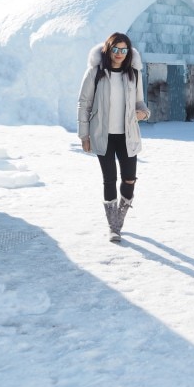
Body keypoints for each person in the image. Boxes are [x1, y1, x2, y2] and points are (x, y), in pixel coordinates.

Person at [77, 32, 150, 242]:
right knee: (109, 180)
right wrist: (84, 135)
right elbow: (84, 104)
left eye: (123, 50)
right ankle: (114, 226)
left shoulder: (133, 75)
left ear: (128, 52)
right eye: (116, 49)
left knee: (129, 180)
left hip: (128, 136)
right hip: (103, 135)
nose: (119, 54)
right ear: (108, 50)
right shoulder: (95, 73)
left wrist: (144, 113)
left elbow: (140, 103)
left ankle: (119, 216)